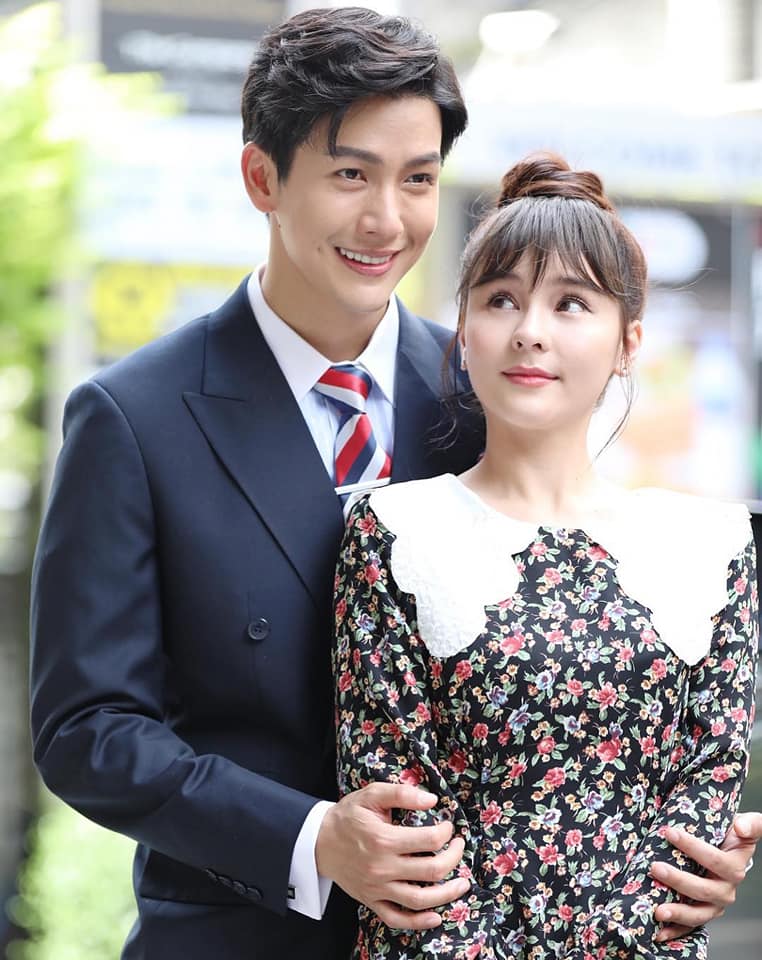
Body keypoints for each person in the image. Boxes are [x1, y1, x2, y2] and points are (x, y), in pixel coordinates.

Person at [28, 6, 758, 959]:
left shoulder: (491, 383)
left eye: (417, 178)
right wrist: (313, 840)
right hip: (246, 937)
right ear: (262, 178)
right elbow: (88, 729)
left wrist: (676, 844)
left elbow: (587, 635)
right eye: (350, 174)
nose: (387, 219)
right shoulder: (135, 417)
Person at [333, 152, 760, 959]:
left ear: (628, 342)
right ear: (465, 335)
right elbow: (400, 810)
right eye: (501, 299)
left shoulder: (709, 545)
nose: (530, 330)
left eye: (571, 303)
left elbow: (702, 803)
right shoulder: (392, 531)